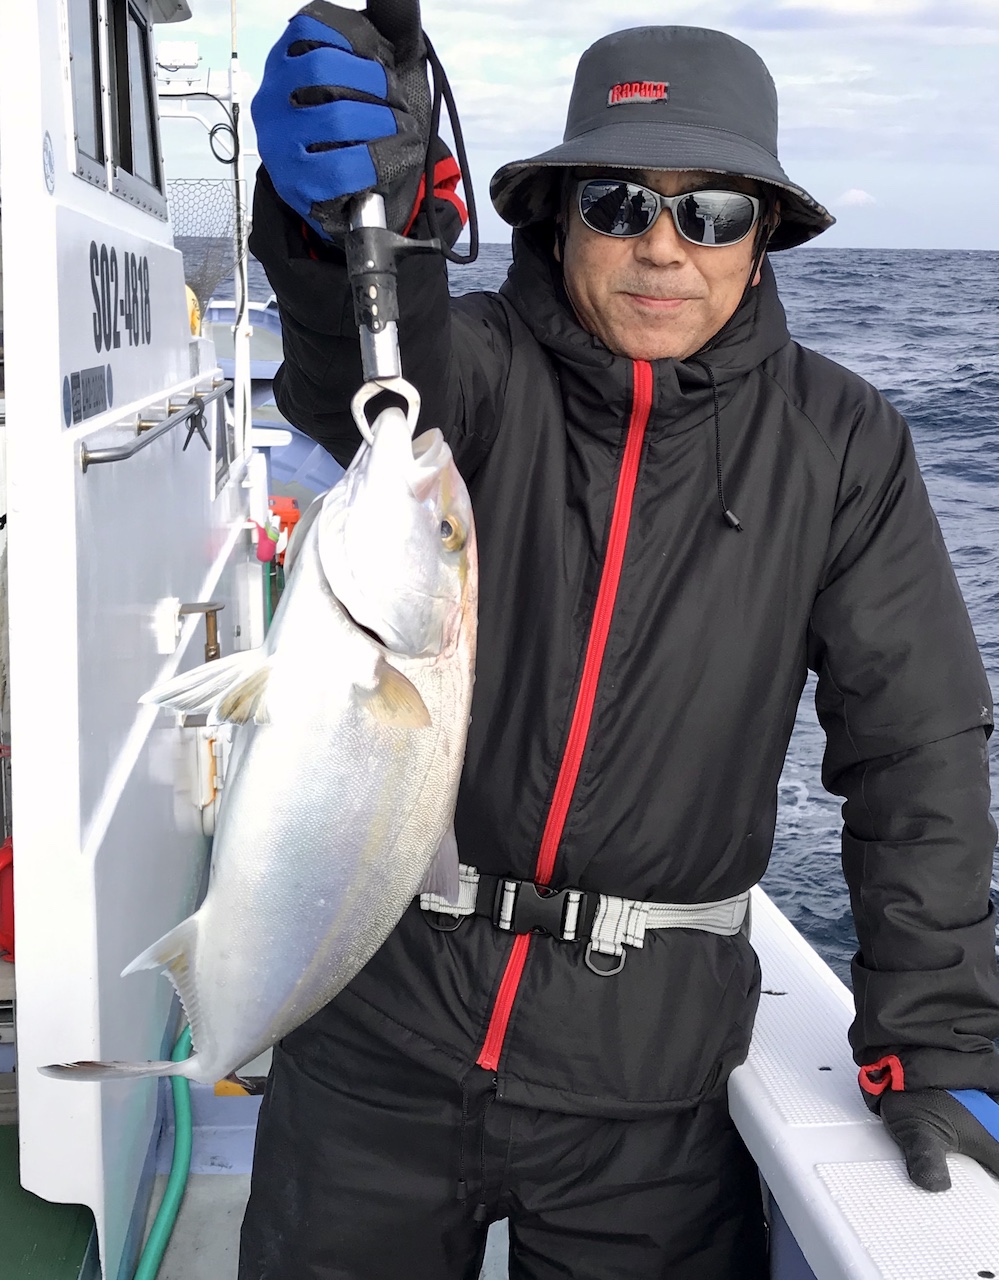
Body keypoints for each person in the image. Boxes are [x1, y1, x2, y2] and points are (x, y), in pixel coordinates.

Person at [240, 9, 999, 1277]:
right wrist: (343, 236)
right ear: (558, 220)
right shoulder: (476, 370)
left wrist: (937, 1037)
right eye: (619, 202)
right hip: (378, 1035)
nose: (663, 245)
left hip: (650, 1088)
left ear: (761, 238)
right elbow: (364, 371)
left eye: (713, 212)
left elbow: (914, 746)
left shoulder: (843, 441)